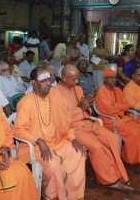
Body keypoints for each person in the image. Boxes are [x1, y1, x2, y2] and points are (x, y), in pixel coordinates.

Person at [55, 65, 133, 191]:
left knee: (112, 138)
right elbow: (61, 119)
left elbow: (87, 110)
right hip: (73, 129)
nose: (77, 82)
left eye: (77, 79)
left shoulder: (78, 89)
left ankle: (117, 174)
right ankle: (110, 180)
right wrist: (80, 109)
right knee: (97, 146)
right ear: (64, 78)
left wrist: (87, 107)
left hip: (87, 124)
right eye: (74, 79)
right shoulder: (55, 93)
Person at [13, 67, 87, 200]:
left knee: (79, 154)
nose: (48, 83)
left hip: (58, 140)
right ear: (34, 83)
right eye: (43, 81)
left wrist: (73, 139)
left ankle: (74, 195)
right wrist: (39, 141)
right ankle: (52, 196)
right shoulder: (25, 103)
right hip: (36, 147)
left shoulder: (55, 95)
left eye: (49, 80)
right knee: (53, 164)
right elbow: (18, 131)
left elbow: (66, 121)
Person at [95, 69, 140, 164]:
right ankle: (132, 159)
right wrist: (119, 107)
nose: (114, 80)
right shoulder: (101, 93)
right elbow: (108, 111)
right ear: (105, 79)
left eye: (115, 78)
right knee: (134, 133)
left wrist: (116, 106)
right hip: (110, 121)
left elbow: (126, 106)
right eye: (111, 78)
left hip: (122, 118)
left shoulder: (118, 90)